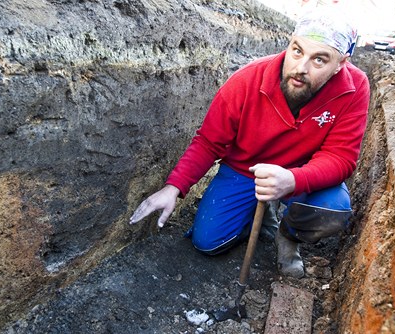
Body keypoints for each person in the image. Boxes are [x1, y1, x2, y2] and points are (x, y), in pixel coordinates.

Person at [129, 7, 370, 279]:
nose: (300, 68)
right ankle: (257, 211)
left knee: (330, 208)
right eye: (297, 51)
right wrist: (174, 187)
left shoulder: (354, 87)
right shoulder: (247, 80)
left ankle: (288, 235)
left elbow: (340, 157)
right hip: (246, 170)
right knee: (207, 242)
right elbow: (209, 142)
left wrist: (292, 180)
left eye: (319, 60)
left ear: (341, 63)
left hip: (303, 174)